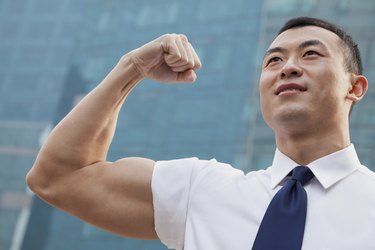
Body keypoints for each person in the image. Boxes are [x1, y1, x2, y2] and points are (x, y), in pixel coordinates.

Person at [26, 16, 375, 249]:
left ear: (355, 87)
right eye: (273, 61)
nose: (288, 68)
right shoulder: (202, 191)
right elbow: (58, 177)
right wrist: (132, 68)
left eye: (311, 54)